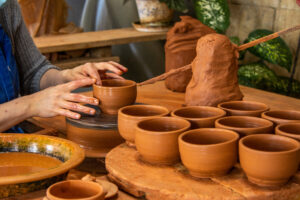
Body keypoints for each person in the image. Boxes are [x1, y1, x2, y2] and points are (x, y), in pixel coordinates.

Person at [0, 0, 127, 132]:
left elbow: (32, 73)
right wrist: (30, 104)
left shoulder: (6, 7)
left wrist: (67, 76)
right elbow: (33, 103)